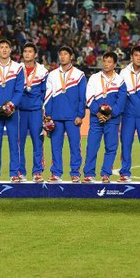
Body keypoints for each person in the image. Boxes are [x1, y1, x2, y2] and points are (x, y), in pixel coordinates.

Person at [44, 46, 86, 183]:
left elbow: (82, 97)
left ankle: (75, 173)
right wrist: (48, 114)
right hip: (55, 117)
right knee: (55, 147)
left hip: (73, 117)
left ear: (71, 56)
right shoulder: (52, 74)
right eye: (60, 54)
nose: (62, 57)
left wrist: (80, 115)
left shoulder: (79, 75)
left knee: (75, 146)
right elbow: (48, 95)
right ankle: (56, 173)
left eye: (65, 54)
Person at [83, 52, 126, 183]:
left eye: (109, 62)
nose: (106, 64)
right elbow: (89, 97)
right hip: (96, 118)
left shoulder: (120, 81)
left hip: (112, 120)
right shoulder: (94, 78)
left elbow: (121, 102)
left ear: (115, 64)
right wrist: (99, 113)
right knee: (92, 146)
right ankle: (89, 174)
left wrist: (110, 115)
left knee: (111, 147)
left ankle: (106, 173)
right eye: (105, 61)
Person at [0, 39, 24, 182]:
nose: (4, 49)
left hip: (13, 112)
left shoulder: (18, 68)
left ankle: (14, 173)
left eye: (7, 47)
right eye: (2, 47)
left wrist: (11, 106)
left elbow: (20, 90)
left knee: (14, 143)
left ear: (10, 50)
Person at [118, 45, 140, 183]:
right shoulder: (124, 72)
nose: (138, 58)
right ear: (131, 57)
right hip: (128, 114)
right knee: (126, 143)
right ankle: (125, 172)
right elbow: (121, 93)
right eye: (136, 55)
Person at [18, 42, 48, 182]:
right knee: (19, 143)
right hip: (20, 111)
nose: (27, 54)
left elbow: (45, 92)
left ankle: (37, 172)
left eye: (30, 51)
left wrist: (37, 102)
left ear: (35, 54)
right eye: (25, 51)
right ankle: (20, 171)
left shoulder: (42, 71)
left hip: (36, 111)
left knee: (38, 142)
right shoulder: (16, 69)